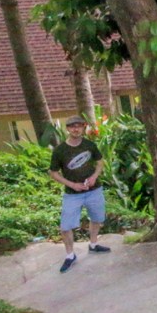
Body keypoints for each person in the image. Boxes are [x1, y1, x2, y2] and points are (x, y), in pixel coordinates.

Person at [49, 114, 110, 272]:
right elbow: (53, 172)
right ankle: (70, 255)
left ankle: (94, 244)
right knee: (65, 227)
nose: (76, 129)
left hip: (94, 190)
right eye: (72, 126)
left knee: (97, 218)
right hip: (72, 194)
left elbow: (100, 162)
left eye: (79, 126)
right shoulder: (60, 150)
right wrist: (72, 185)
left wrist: (94, 176)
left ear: (83, 128)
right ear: (68, 129)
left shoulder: (89, 145)